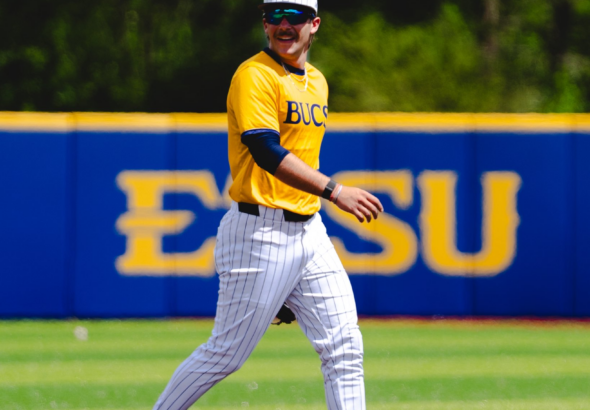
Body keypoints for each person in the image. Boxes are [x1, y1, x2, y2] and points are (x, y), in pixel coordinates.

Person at [153, 1, 383, 409]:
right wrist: (335, 191)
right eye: (274, 16)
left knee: (345, 348)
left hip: (309, 232)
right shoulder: (254, 74)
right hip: (260, 231)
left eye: (293, 16)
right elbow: (265, 150)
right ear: (264, 24)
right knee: (224, 355)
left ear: (314, 24)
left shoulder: (317, 82)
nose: (283, 24)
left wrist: (292, 282)